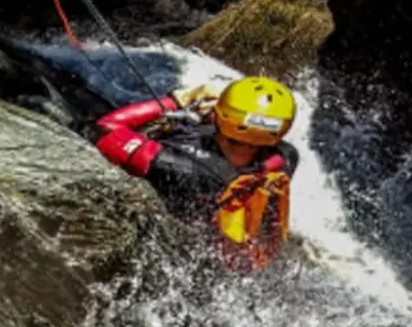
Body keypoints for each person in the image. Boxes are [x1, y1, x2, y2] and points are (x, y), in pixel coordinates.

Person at [91, 75, 299, 272]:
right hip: (218, 249)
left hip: (174, 238)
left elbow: (105, 129)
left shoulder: (182, 167)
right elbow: (249, 136)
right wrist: (213, 116)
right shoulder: (285, 158)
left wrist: (177, 101)